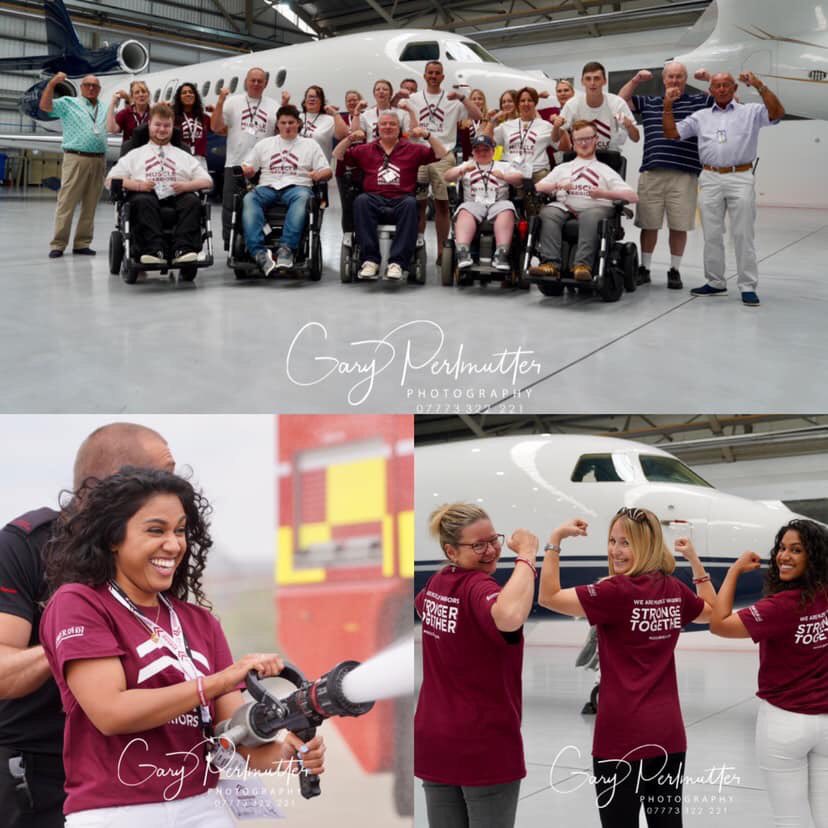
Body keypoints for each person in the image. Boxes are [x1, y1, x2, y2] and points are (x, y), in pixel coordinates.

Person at [40, 467, 325, 826]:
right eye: (156, 530)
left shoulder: (200, 621)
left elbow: (232, 739)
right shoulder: (79, 603)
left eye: (179, 531)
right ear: (113, 537)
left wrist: (289, 753)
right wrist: (220, 681)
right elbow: (111, 712)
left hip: (205, 806)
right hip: (117, 812)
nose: (174, 545)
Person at [0, 423, 175, 828]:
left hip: (128, 769)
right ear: (116, 483)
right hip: (36, 774)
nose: (177, 489)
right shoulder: (25, 546)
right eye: (166, 475)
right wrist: (76, 640)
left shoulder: (156, 555)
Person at [539, 507, 715, 827]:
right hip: (667, 734)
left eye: (626, 543)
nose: (615, 551)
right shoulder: (674, 589)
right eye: (612, 540)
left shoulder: (614, 592)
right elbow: (713, 612)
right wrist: (695, 563)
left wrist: (555, 541)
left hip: (619, 737)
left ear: (646, 546)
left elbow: (548, 598)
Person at [414, 503, 539, 828]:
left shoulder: (437, 584)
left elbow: (423, 606)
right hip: (482, 742)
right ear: (451, 551)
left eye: (492, 540)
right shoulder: (477, 587)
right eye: (478, 545)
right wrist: (527, 555)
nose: (491, 550)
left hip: (435, 738)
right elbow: (509, 616)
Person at [710, 519, 828, 828]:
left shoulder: (780, 606)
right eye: (782, 548)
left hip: (785, 724)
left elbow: (719, 624)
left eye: (796, 550)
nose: (784, 556)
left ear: (813, 557)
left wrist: (734, 571)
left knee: (790, 818)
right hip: (825, 723)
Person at [664, 70, 784, 306]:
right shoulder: (700, 116)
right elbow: (672, 133)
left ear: (734, 88)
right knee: (711, 234)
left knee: (743, 234)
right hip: (709, 177)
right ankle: (716, 282)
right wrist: (668, 104)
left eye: (726, 85)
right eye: (716, 86)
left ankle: (747, 286)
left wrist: (759, 85)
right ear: (710, 91)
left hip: (740, 176)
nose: (721, 89)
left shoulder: (750, 111)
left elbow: (777, 113)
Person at [618, 63, 713, 289]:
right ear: (664, 80)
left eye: (679, 77)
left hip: (685, 174)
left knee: (679, 226)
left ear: (685, 79)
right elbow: (620, 102)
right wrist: (635, 81)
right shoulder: (650, 102)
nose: (675, 81)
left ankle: (674, 270)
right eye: (671, 77)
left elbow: (725, 98)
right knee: (649, 224)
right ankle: (646, 268)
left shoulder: (697, 102)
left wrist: (708, 79)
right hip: (652, 173)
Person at [332, 111, 447, 280]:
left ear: (399, 128)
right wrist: (349, 138)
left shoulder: (413, 149)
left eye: (392, 124)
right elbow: (337, 155)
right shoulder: (365, 149)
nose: (387, 127)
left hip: (401, 200)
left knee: (410, 203)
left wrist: (428, 135)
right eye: (383, 124)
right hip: (373, 199)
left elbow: (441, 154)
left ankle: (397, 263)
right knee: (360, 201)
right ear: (377, 128)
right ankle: (370, 261)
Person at [106, 103, 213, 266]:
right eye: (157, 125)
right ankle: (153, 250)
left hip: (177, 194)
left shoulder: (183, 155)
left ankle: (184, 250)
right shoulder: (135, 154)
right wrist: (137, 185)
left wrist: (186, 186)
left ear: (172, 127)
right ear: (149, 125)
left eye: (166, 126)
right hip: (144, 194)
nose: (162, 129)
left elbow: (207, 181)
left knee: (192, 200)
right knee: (143, 200)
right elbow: (110, 180)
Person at [530, 120, 637, 281]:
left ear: (595, 139)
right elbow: (538, 187)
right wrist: (558, 185)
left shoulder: (605, 170)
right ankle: (551, 265)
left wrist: (604, 193)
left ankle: (582, 266)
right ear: (573, 142)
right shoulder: (562, 168)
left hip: (597, 208)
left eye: (588, 138)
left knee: (590, 215)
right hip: (566, 207)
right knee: (548, 212)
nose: (584, 143)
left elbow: (632, 196)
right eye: (579, 139)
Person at [240, 104, 332, 275]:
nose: (287, 126)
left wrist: (319, 175)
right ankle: (259, 253)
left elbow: (327, 171)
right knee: (249, 199)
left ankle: (286, 249)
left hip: (298, 186)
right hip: (268, 186)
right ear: (278, 125)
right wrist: (248, 170)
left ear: (298, 123)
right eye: (283, 123)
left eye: (291, 122)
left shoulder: (310, 145)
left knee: (303, 198)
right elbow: (247, 165)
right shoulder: (264, 144)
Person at [409, 61, 484, 261]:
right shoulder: (414, 98)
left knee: (442, 205)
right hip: (419, 155)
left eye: (437, 73)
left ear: (443, 77)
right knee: (419, 204)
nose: (433, 76)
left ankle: (443, 251)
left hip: (443, 156)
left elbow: (478, 115)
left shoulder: (453, 100)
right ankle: (417, 245)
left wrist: (462, 97)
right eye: (430, 73)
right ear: (424, 76)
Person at [39, 73, 107, 259]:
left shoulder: (103, 107)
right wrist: (52, 83)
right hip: (76, 158)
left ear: (99, 89)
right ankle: (58, 244)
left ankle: (82, 243)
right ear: (82, 87)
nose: (91, 88)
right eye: (87, 85)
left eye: (95, 85)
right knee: (67, 202)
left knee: (90, 205)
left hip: (99, 160)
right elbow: (45, 106)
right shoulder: (69, 102)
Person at [211, 67, 279, 250]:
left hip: (263, 168)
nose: (256, 84)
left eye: (260, 81)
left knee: (262, 207)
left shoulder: (274, 106)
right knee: (231, 207)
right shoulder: (233, 102)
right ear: (246, 82)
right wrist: (219, 102)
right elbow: (216, 127)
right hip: (235, 163)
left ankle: (260, 243)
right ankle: (231, 245)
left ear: (265, 84)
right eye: (253, 80)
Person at [443, 135, 523, 270]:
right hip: (473, 204)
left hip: (498, 203)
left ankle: (501, 254)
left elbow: (520, 179)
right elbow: (447, 176)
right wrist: (461, 171)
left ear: (493, 151)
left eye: (485, 149)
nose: (482, 153)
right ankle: (463, 251)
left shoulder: (504, 165)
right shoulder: (467, 165)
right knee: (464, 211)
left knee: (507, 210)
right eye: (478, 150)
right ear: (473, 152)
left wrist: (504, 177)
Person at [554, 61, 639, 153]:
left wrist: (629, 126)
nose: (592, 83)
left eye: (597, 78)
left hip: (609, 156)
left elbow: (636, 138)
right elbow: (555, 139)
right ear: (582, 82)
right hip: (582, 156)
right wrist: (556, 127)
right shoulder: (572, 105)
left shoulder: (616, 103)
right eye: (588, 79)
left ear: (604, 81)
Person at [493, 86, 559, 182]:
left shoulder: (535, 120)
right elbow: (496, 148)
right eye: (503, 102)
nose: (506, 104)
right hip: (510, 169)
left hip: (535, 169)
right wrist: (498, 163)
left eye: (510, 101)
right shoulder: (502, 124)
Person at [172, 82, 212, 168]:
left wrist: (217, 110)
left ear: (195, 96)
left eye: (191, 92)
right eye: (184, 93)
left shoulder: (204, 117)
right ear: (179, 97)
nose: (188, 94)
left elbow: (221, 130)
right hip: (180, 159)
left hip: (200, 161)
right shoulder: (173, 118)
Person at [106, 80, 151, 156]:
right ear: (132, 97)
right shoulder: (125, 113)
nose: (141, 95)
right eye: (137, 92)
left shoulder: (154, 113)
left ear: (148, 94)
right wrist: (112, 104)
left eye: (143, 92)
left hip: (148, 155)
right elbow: (112, 129)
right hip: (129, 155)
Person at [457, 89, 492, 159]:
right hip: (467, 159)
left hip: (485, 157)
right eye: (474, 99)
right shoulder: (463, 120)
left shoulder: (489, 119)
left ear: (484, 102)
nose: (477, 101)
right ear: (470, 102)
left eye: (480, 99)